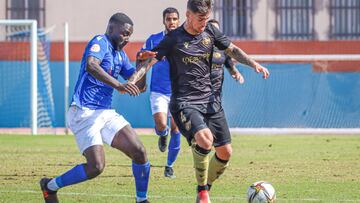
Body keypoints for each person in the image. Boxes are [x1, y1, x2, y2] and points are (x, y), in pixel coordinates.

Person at [130, 1, 270, 202]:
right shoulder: (173, 38)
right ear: (188, 15)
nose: (204, 23)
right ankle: (202, 190)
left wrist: (254, 64)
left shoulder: (211, 31)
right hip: (184, 102)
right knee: (205, 139)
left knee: (225, 153)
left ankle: (206, 188)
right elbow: (148, 62)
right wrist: (132, 80)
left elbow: (233, 50)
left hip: (210, 101)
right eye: (200, 19)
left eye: (206, 18)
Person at [39, 13, 154, 203]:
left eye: (129, 35)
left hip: (105, 112)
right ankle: (49, 186)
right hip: (83, 112)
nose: (127, 38)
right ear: (111, 29)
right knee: (96, 167)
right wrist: (118, 85)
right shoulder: (100, 41)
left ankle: (141, 200)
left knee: (139, 151)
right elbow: (92, 66)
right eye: (124, 34)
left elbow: (139, 87)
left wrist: (142, 66)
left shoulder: (120, 55)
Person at [140, 7, 182, 178]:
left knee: (176, 129)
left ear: (178, 21)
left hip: (179, 91)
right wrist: (143, 55)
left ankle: (169, 166)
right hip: (158, 91)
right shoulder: (154, 39)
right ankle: (162, 134)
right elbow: (141, 55)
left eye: (174, 19)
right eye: (168, 19)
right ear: (164, 21)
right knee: (161, 124)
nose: (171, 22)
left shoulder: (185, 40)